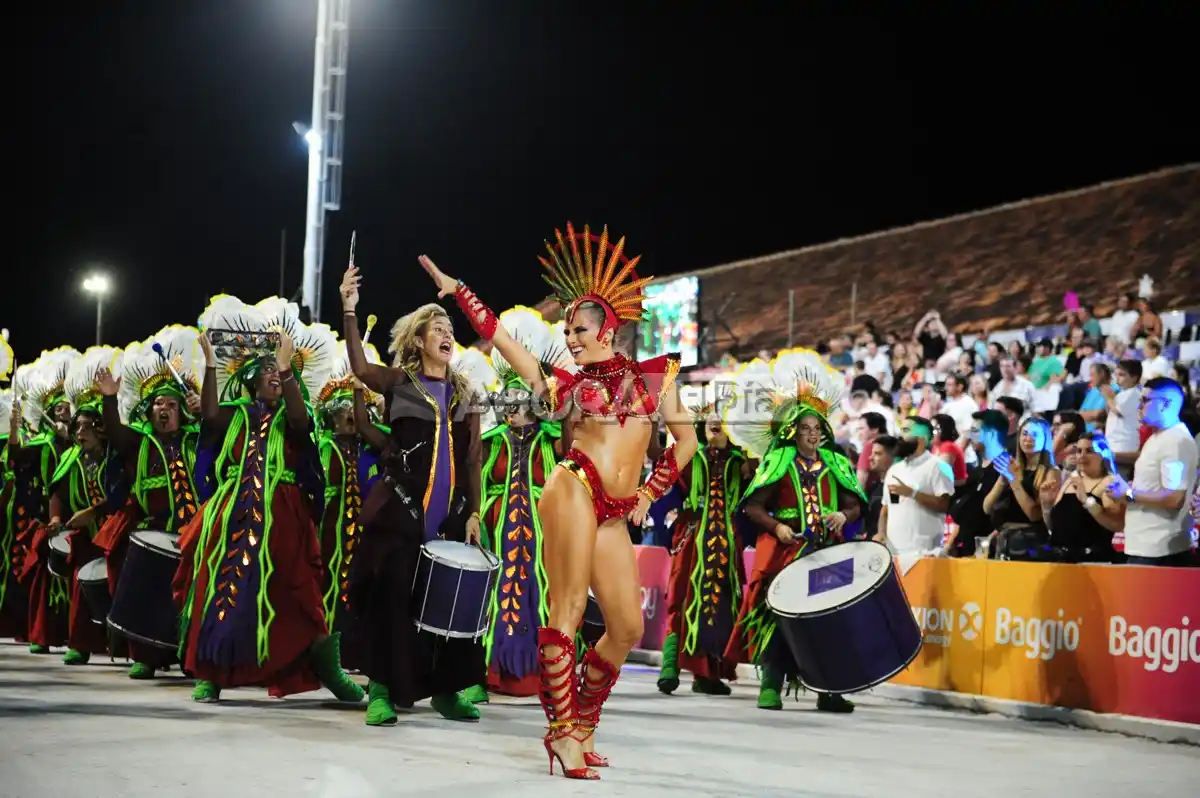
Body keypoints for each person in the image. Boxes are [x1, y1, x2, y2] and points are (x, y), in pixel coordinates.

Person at [411, 222, 696, 780]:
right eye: (566, 331)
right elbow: (502, 339)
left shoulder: (655, 379)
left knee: (625, 628)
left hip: (615, 512)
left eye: (578, 329)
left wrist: (649, 491)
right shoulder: (566, 385)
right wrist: (460, 291)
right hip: (573, 488)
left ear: (607, 328)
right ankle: (562, 733)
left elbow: (685, 443)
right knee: (567, 608)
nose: (570, 338)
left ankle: (583, 725)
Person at [174, 296, 363, 704]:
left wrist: (286, 366)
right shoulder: (237, 413)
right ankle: (211, 672)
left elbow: (298, 419)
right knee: (221, 588)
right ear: (249, 380)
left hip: (284, 513)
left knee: (301, 591)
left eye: (280, 370)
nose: (274, 375)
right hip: (233, 514)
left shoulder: (296, 415)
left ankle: (327, 669)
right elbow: (210, 414)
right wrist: (210, 364)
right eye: (266, 370)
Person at [339, 276, 492, 728]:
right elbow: (360, 368)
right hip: (400, 511)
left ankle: (445, 692)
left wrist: (475, 512)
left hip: (449, 516)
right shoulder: (400, 382)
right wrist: (349, 309)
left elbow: (472, 460)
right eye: (437, 328)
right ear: (419, 341)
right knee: (391, 599)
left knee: (448, 603)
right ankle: (381, 690)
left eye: (450, 328)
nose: (446, 334)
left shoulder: (465, 395)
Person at [723, 348, 864, 713]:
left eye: (818, 428)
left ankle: (829, 689)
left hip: (826, 551)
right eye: (805, 428)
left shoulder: (836, 462)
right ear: (793, 431)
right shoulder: (779, 462)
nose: (813, 435)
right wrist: (778, 527)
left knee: (829, 620)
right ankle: (770, 685)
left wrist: (843, 516)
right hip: (786, 551)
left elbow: (856, 504)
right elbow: (752, 506)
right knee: (779, 617)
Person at [463, 306, 572, 702]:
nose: (508, 403)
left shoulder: (551, 439)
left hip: (542, 536)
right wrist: (476, 514)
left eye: (516, 395)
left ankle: (539, 674)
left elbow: (568, 454)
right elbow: (476, 481)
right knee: (492, 597)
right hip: (498, 532)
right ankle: (483, 672)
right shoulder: (491, 441)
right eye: (504, 396)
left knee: (537, 595)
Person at [94, 327, 203, 678]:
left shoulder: (197, 440)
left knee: (190, 598)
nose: (165, 409)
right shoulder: (138, 443)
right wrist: (109, 399)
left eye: (172, 404)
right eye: (159, 404)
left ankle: (190, 656)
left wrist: (203, 410)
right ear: (149, 410)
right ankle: (145, 656)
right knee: (150, 594)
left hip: (193, 532)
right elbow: (115, 432)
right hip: (154, 529)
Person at [657, 403, 751, 697]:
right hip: (692, 538)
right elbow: (665, 490)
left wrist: (751, 467)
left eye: (722, 419)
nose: (716, 421)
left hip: (726, 542)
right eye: (711, 417)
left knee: (720, 605)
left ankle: (707, 675)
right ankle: (670, 666)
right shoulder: (688, 456)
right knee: (680, 598)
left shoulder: (742, 463)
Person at [42, 347, 126, 665]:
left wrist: (94, 511)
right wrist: (55, 518)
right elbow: (58, 495)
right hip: (86, 537)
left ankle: (122, 645)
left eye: (86, 426)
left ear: (101, 429)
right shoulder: (70, 458)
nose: (79, 432)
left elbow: (121, 495)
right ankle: (80, 643)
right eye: (77, 427)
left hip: (115, 533)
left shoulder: (116, 458)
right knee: (81, 583)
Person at [313, 340, 390, 674]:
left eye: (353, 406)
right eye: (340, 406)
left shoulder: (374, 447)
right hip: (329, 531)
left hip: (367, 535)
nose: (348, 413)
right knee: (327, 584)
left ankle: (360, 653)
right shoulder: (321, 447)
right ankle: (325, 653)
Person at [10, 348, 81, 653]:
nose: (63, 412)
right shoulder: (41, 444)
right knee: (45, 577)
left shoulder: (83, 444)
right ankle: (44, 634)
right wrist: (14, 428)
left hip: (78, 516)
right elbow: (16, 457)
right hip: (47, 518)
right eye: (59, 408)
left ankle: (76, 635)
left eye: (68, 408)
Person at [1107, 378, 1198, 566]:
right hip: (1146, 545)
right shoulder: (1158, 436)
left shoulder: (1175, 440)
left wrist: (1129, 494)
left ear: (1166, 404)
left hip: (1159, 549)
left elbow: (1174, 498)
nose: (1139, 406)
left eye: (1145, 400)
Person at [983, 416, 1060, 558]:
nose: (1028, 439)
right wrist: (1003, 480)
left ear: (1045, 439)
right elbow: (987, 507)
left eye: (1035, 434)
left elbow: (1034, 515)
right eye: (1024, 434)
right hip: (1004, 540)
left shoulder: (1051, 472)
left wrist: (1013, 480)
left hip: (1031, 543)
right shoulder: (1013, 467)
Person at [876, 417, 954, 557]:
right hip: (893, 553)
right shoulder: (894, 470)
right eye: (901, 430)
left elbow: (944, 505)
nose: (900, 436)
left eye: (906, 430)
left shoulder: (938, 466)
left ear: (922, 438)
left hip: (925, 552)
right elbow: (886, 509)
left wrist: (912, 493)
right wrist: (881, 532)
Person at [1048, 432, 1123, 562]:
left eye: (1089, 451)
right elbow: (1054, 527)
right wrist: (1045, 504)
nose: (1082, 456)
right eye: (1079, 451)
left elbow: (1116, 525)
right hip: (1061, 560)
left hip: (1093, 560)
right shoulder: (1071, 480)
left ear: (1103, 454)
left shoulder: (1111, 482)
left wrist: (1086, 500)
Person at [944, 410, 1008, 557]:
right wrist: (951, 542)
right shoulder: (976, 471)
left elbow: (1002, 516)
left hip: (989, 553)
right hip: (965, 550)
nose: (970, 436)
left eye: (975, 431)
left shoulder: (1006, 469)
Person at [864, 435, 897, 539]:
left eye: (877, 454)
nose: (870, 458)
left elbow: (895, 516)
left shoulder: (896, 488)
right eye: (871, 453)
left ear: (892, 458)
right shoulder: (873, 488)